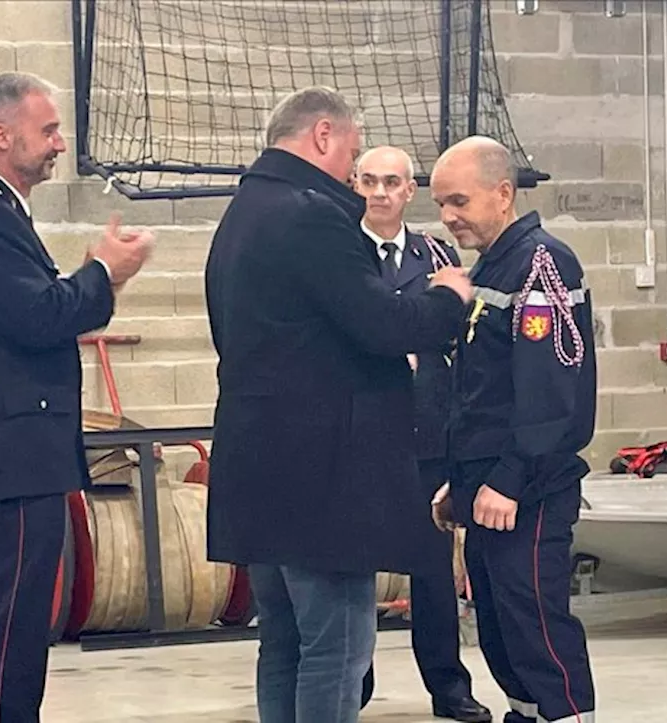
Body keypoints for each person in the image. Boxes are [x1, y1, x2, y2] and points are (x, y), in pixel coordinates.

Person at [203, 87, 474, 723]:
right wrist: (446, 298)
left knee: (284, 643)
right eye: (352, 153)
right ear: (323, 135)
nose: (355, 175)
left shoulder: (242, 212)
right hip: (321, 475)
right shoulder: (311, 213)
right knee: (340, 647)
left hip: (259, 465)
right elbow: (380, 323)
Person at [0, 71, 154, 723]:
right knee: (8, 634)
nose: (59, 142)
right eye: (49, 129)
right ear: (2, 134)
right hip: (9, 455)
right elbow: (39, 316)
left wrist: (89, 278)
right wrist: (103, 272)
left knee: (22, 628)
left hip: (18, 452)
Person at [429, 135, 597, 723]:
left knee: (536, 627)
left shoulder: (542, 265)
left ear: (503, 194)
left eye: (459, 201)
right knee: (499, 631)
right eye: (441, 204)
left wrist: (509, 477)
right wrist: (463, 480)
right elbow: (480, 393)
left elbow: (551, 395)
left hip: (528, 489)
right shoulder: (492, 267)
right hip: (485, 486)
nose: (448, 217)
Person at [353, 146, 491, 723]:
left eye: (392, 182)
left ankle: (448, 685)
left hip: (427, 434)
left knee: (433, 570)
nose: (380, 192)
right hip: (359, 437)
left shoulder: (436, 254)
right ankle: (350, 683)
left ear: (411, 191)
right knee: (352, 567)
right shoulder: (339, 253)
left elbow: (459, 332)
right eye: (368, 180)